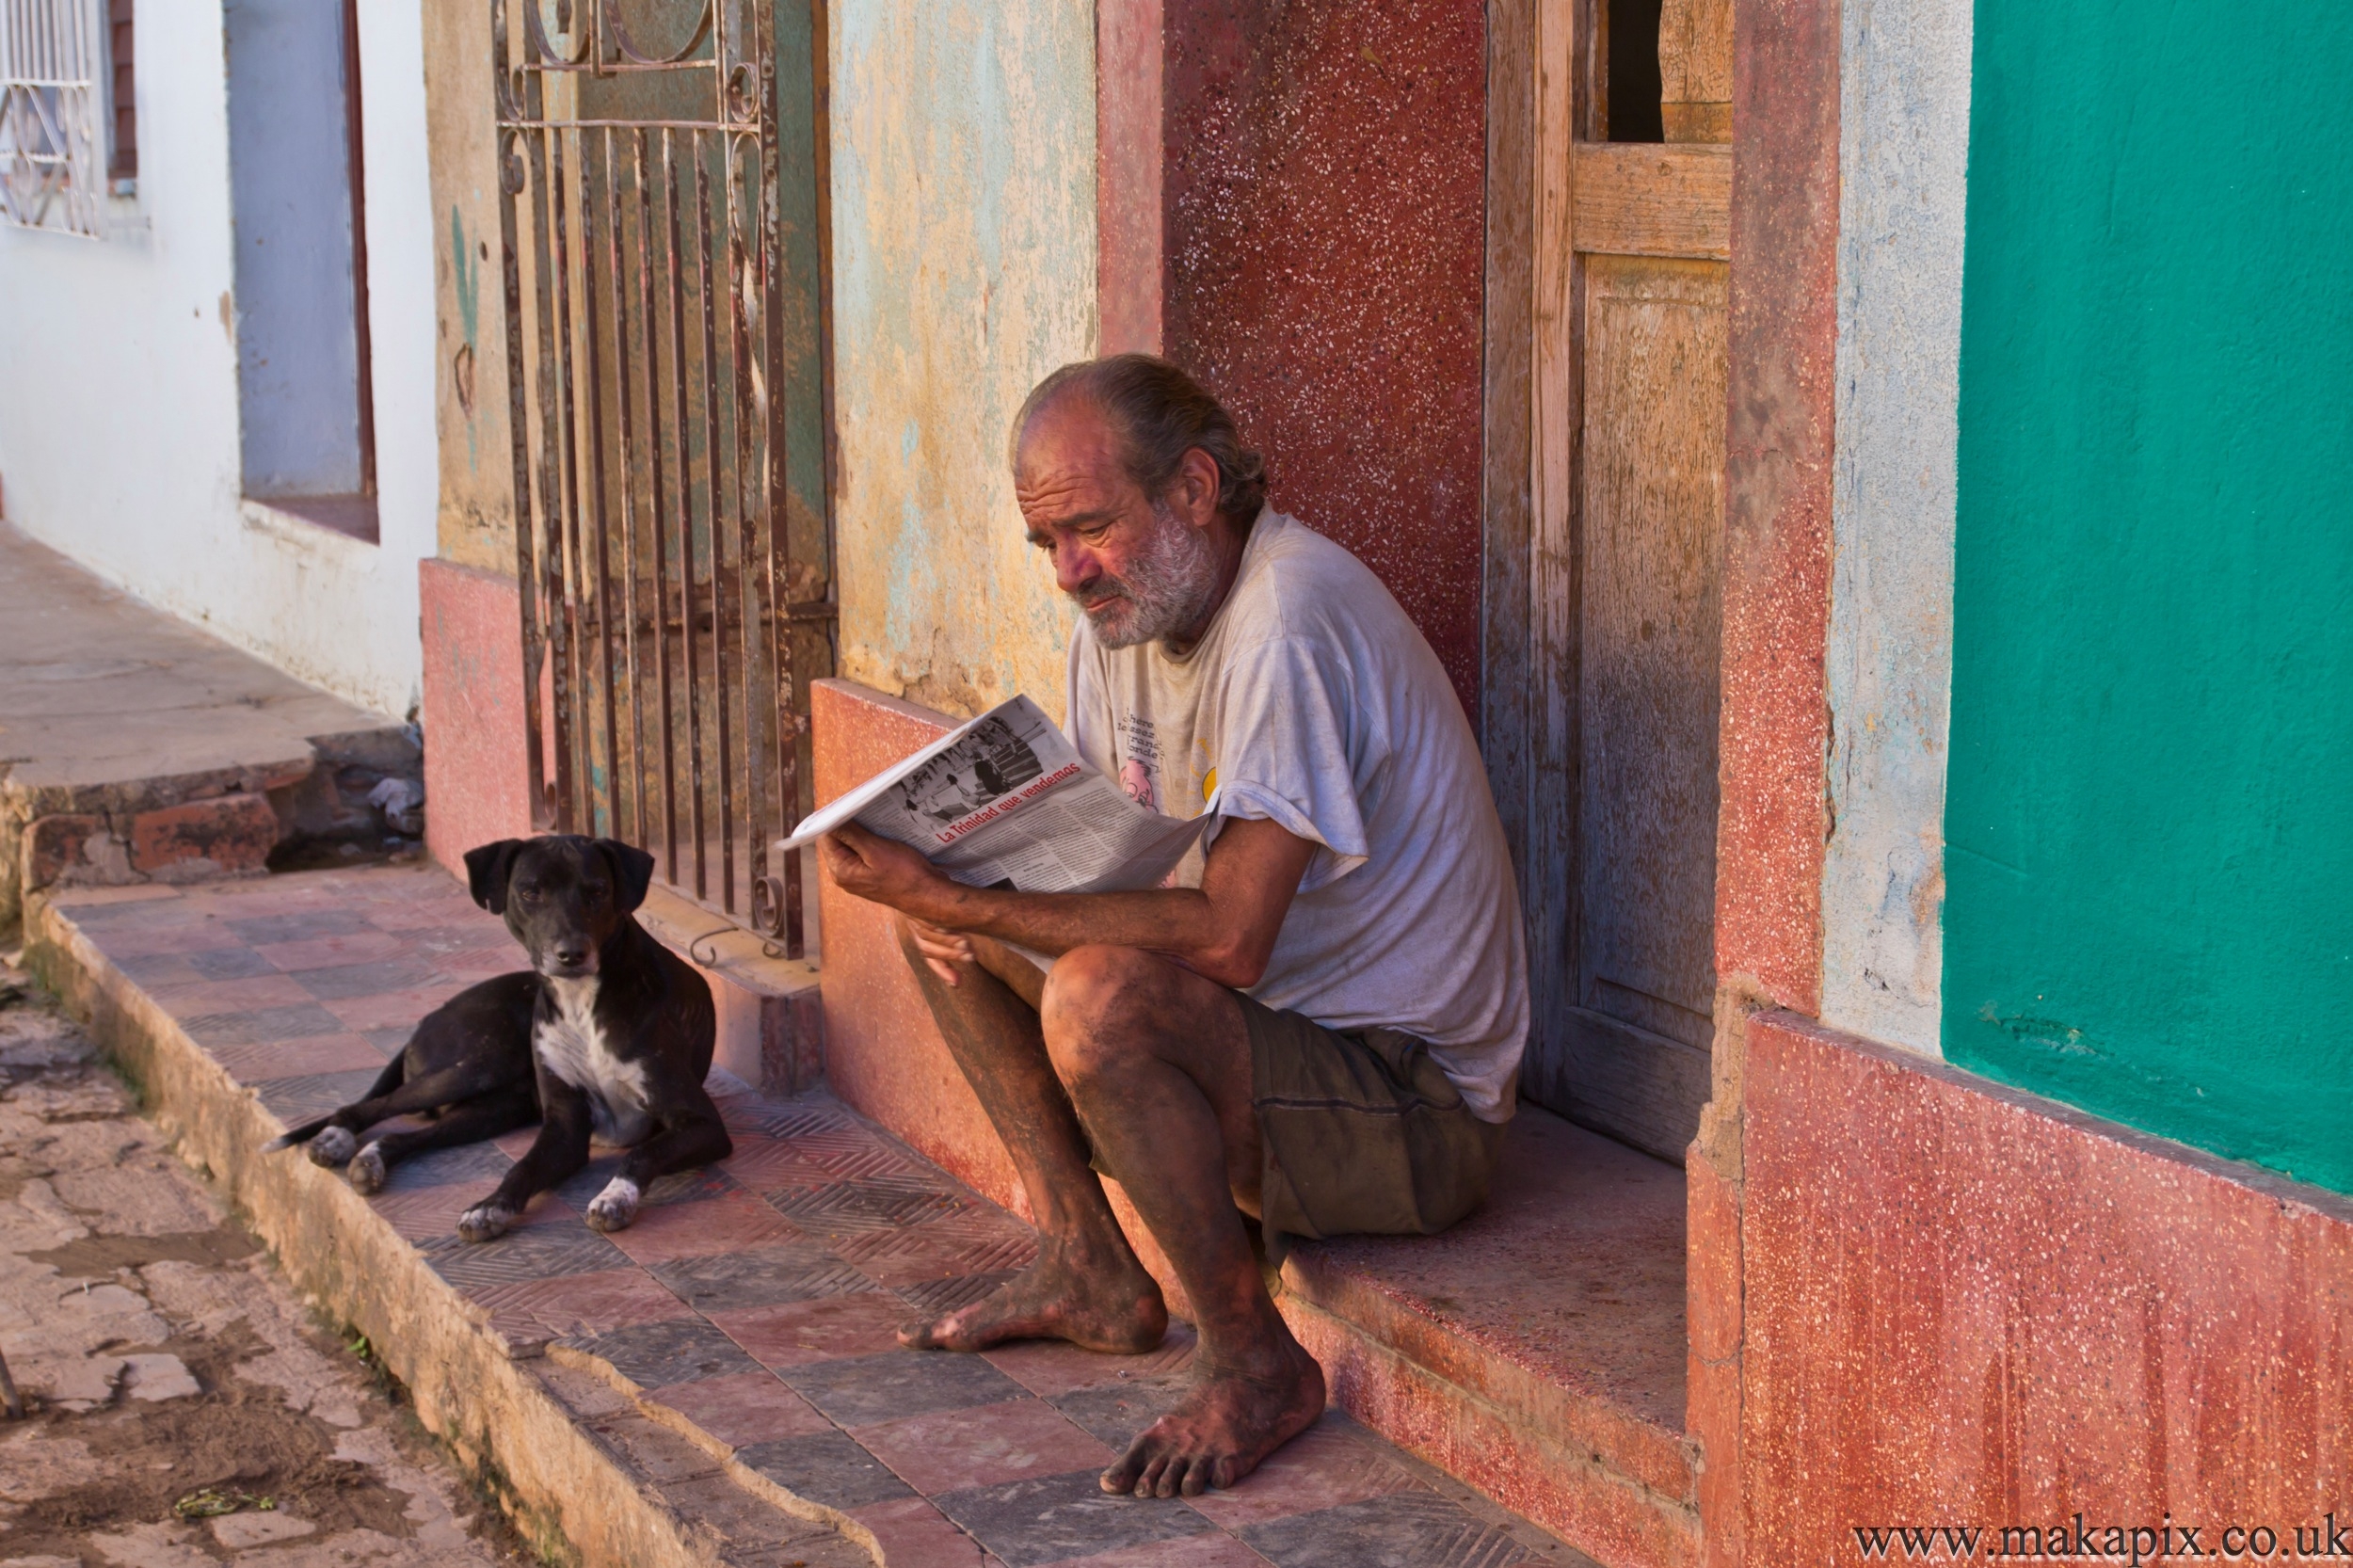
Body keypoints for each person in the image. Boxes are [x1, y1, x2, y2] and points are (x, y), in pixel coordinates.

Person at [819, 354, 1528, 1500]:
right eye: (1046, 544)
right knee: (941, 931)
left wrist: (968, 896)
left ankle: (1257, 1365)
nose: (1068, 571)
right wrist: (956, 899)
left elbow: (1232, 936)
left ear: (1196, 488)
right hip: (1274, 1039)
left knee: (1097, 996)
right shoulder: (1130, 614)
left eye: (1091, 528)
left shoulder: (1287, 620)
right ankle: (1089, 1264)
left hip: (1413, 1107)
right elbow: (1109, 862)